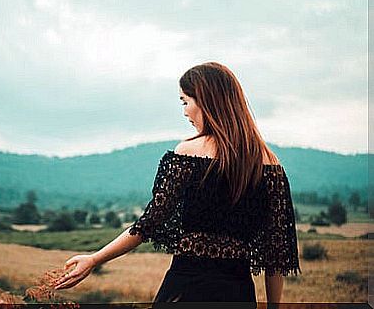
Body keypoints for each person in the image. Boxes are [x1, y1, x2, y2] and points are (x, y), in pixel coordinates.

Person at [53, 61, 301, 307]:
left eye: (185, 101)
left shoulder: (188, 153)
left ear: (206, 100)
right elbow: (275, 255)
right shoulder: (269, 163)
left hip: (186, 287)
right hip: (238, 292)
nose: (184, 112)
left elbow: (147, 225)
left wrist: (95, 259)